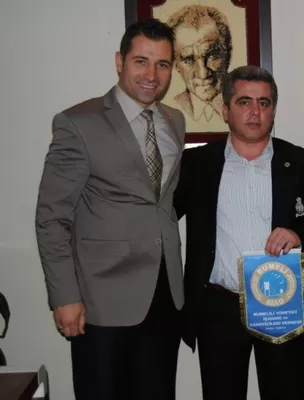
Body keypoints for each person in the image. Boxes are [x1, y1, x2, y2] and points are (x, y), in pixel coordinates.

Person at [35, 19, 185, 400]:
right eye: (141, 61)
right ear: (120, 61)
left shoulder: (175, 121)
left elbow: (160, 201)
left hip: (164, 297)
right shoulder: (78, 123)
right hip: (100, 302)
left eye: (163, 64)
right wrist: (64, 296)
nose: (152, 75)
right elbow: (52, 217)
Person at [174, 65, 304, 400]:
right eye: (244, 102)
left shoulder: (300, 161)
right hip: (218, 306)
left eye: (264, 103)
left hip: (280, 304)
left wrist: (298, 235)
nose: (254, 112)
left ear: (273, 110)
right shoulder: (198, 164)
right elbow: (162, 216)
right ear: (226, 110)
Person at [167, 5, 231, 123]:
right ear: (175, 65)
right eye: (188, 60)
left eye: (212, 56)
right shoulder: (168, 109)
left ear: (228, 55)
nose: (203, 74)